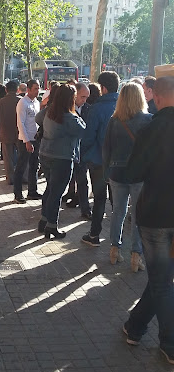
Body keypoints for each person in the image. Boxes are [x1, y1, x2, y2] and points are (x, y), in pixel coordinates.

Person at [122, 76, 174, 364]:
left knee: (162, 281)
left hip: (155, 215)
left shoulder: (152, 129)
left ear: (158, 97)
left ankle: (169, 343)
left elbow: (133, 173)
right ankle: (136, 326)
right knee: (162, 278)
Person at [102, 82, 152, 271]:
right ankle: (136, 255)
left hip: (117, 172)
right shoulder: (148, 120)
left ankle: (115, 250)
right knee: (138, 215)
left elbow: (106, 149)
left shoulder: (114, 120)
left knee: (118, 212)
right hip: (139, 174)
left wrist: (107, 171)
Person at [36, 84, 86, 239]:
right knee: (56, 193)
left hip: (45, 154)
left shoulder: (48, 113)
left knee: (50, 189)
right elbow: (83, 130)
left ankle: (44, 219)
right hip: (62, 158)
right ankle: (52, 226)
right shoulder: (71, 118)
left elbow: (38, 119)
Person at [81, 71, 119, 247]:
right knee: (118, 201)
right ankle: (117, 240)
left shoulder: (97, 108)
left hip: (99, 161)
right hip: (120, 163)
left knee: (99, 199)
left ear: (103, 88)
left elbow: (89, 137)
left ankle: (94, 234)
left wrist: (84, 155)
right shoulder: (126, 106)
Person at [65, 82, 92, 220]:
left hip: (82, 152)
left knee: (82, 181)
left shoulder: (89, 109)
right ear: (75, 95)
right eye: (82, 97)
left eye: (87, 97)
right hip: (67, 151)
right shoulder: (65, 109)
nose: (84, 100)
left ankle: (85, 208)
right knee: (68, 178)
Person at [13, 79, 41, 203]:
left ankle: (32, 191)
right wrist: (27, 141)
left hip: (36, 139)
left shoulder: (36, 103)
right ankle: (18, 194)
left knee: (34, 166)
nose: (38, 91)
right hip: (25, 140)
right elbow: (21, 123)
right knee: (21, 167)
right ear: (28, 89)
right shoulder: (22, 103)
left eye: (39, 88)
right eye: (35, 88)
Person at [0, 80, 21, 184]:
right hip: (20, 133)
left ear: (6, 90)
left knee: (8, 158)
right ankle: (22, 177)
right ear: (17, 89)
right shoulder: (21, 101)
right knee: (22, 157)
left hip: (5, 133)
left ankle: (10, 178)